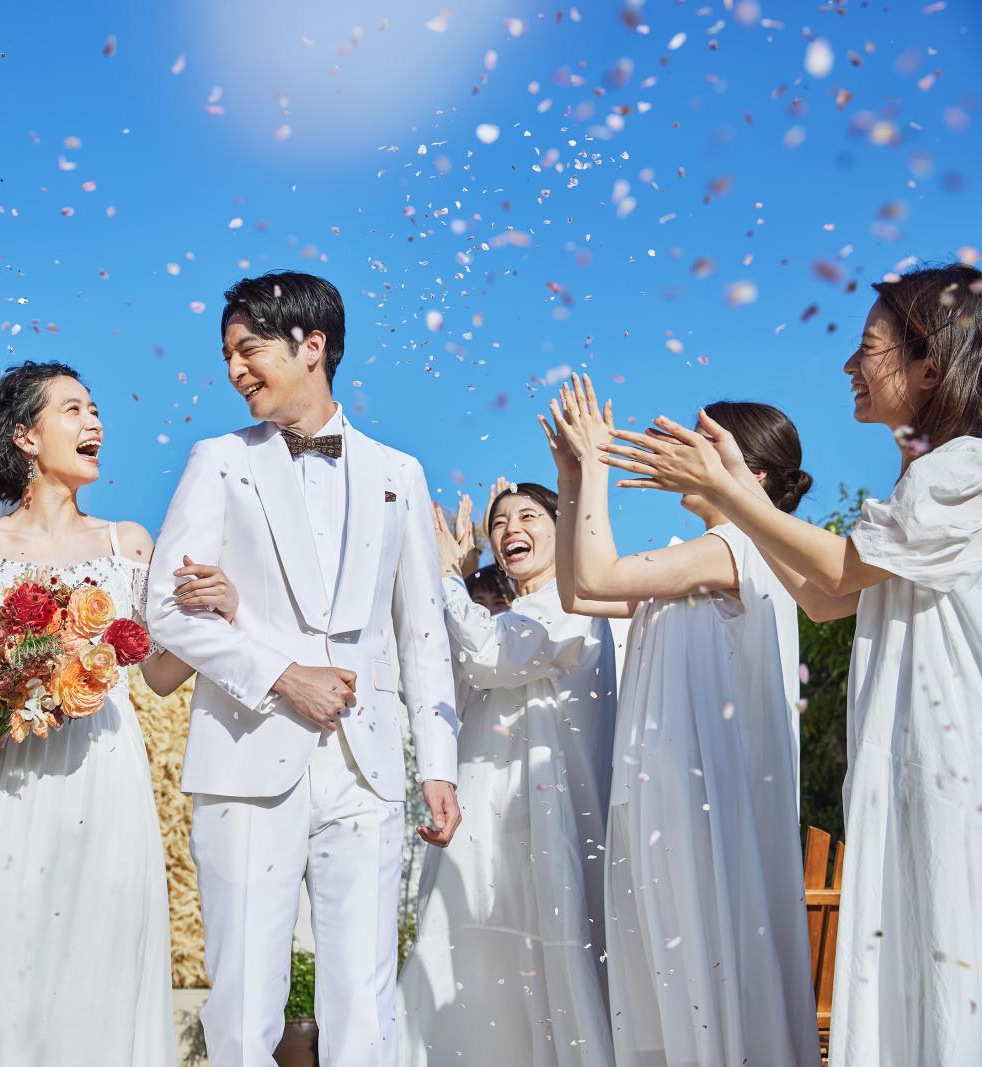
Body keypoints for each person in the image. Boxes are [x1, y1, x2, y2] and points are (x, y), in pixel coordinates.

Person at [595, 263, 982, 1066]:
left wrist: (732, 493)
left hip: (952, 763)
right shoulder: (928, 479)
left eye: (868, 347)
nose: (849, 365)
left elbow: (838, 570)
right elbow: (822, 597)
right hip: (921, 764)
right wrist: (738, 485)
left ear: (930, 365)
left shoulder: (962, 470)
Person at [147, 271, 462, 1067]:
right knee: (244, 997)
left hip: (367, 765)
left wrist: (439, 764)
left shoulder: (400, 472)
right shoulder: (219, 460)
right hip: (247, 753)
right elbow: (167, 611)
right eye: (227, 354)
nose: (234, 369)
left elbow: (421, 629)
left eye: (247, 348)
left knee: (365, 997)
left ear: (311, 344)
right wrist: (285, 672)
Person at [0, 360, 234, 1066]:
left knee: (104, 947)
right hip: (11, 777)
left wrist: (218, 617)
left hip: (106, 772)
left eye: (95, 410)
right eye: (73, 409)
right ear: (25, 436)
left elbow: (159, 674)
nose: (95, 423)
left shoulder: (129, 544)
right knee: (5, 944)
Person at [543, 374, 816, 1066]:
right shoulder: (696, 558)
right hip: (661, 804)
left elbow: (599, 576)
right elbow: (578, 592)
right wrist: (572, 478)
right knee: (662, 983)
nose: (678, 454)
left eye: (701, 445)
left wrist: (598, 464)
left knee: (704, 970)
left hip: (704, 812)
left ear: (751, 472)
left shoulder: (735, 549)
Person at [398, 482, 616, 1066]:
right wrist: (461, 580)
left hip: (546, 830)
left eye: (528, 516)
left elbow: (492, 655)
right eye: (498, 523)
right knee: (460, 956)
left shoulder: (573, 604)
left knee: (544, 961)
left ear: (563, 527)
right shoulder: (507, 615)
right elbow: (449, 682)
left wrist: (449, 578)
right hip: (481, 826)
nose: (510, 529)